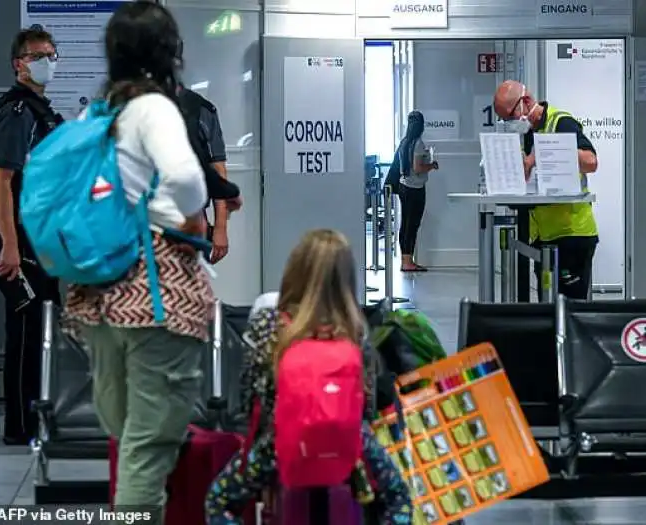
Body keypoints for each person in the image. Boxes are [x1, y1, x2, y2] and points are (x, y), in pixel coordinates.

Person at [62, 2, 213, 518]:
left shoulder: (96, 111)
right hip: (155, 294)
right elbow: (188, 180)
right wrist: (193, 219)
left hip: (97, 295)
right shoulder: (153, 108)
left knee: (126, 439)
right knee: (148, 451)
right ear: (169, 50)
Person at [205, 229, 412, 525]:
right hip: (349, 446)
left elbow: (251, 395)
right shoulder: (355, 330)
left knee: (219, 501)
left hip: (279, 445)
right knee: (398, 499)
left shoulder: (268, 323)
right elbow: (366, 404)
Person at [0, 25, 64, 446]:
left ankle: (38, 415)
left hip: (45, 237)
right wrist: (11, 246)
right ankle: (19, 426)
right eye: (38, 55)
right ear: (20, 63)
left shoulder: (42, 111)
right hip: (24, 240)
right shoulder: (17, 111)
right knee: (25, 332)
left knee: (42, 332)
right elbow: (1, 180)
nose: (47, 62)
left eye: (52, 54)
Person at [493, 80, 599, 300]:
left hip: (572, 234)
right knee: (548, 309)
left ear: (527, 102)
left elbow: (591, 162)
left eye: (511, 117)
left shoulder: (562, 123)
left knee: (569, 311)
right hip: (544, 236)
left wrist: (546, 150)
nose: (511, 123)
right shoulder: (528, 133)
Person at [176, 40, 237, 264]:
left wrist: (220, 227)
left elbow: (217, 168)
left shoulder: (199, 110)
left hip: (190, 222)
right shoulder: (132, 107)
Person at [396, 111, 438, 273]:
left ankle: (405, 260)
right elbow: (418, 168)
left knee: (405, 224)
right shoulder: (418, 143)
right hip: (415, 189)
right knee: (412, 225)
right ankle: (408, 262)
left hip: (403, 186)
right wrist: (432, 166)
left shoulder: (404, 142)